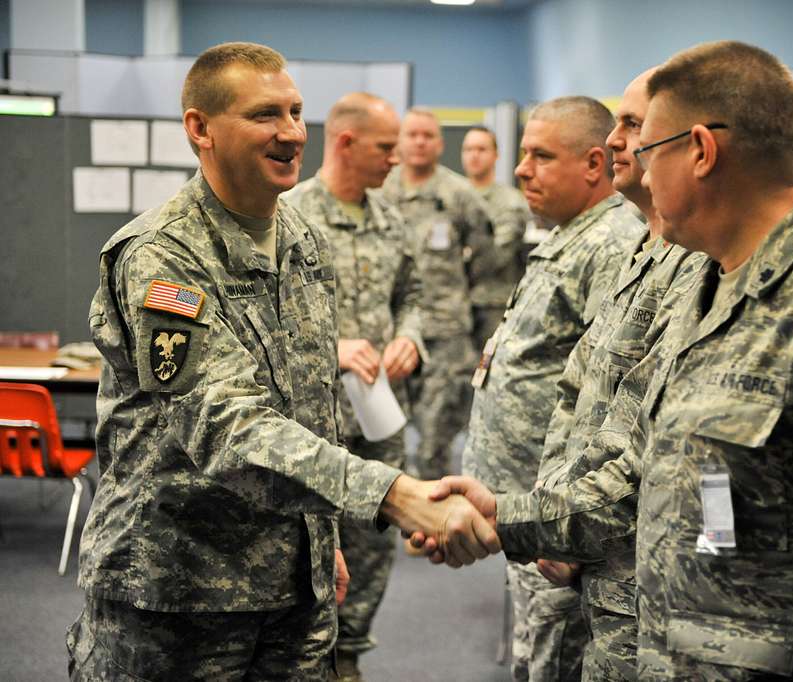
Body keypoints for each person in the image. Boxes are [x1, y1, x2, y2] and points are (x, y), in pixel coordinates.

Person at [428, 41, 793, 680]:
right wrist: (509, 516)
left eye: (646, 147)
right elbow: (635, 475)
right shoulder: (702, 287)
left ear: (699, 151)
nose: (631, 165)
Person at [68, 42, 499, 681]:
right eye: (266, 115)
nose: (292, 133)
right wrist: (393, 495)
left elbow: (309, 403)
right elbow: (222, 423)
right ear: (200, 129)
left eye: (297, 112)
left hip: (294, 586)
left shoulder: (302, 241)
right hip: (180, 594)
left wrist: (319, 541)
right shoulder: (161, 256)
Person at [461, 96, 646, 682]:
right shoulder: (574, 234)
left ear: (595, 165)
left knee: (551, 656)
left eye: (540, 156)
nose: (521, 170)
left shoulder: (612, 243)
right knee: (533, 651)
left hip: (555, 514)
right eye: (522, 155)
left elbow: (607, 400)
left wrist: (558, 517)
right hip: (524, 507)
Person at [531, 69, 698, 682]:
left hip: (638, 579)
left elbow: (646, 447)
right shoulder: (642, 250)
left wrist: (543, 524)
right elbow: (577, 397)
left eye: (634, 125)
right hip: (589, 551)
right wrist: (549, 509)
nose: (618, 141)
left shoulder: (698, 264)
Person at [284, 92, 423, 682]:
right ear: (345, 143)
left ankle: (348, 658)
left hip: (381, 417)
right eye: (386, 147)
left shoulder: (392, 218)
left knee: (372, 546)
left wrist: (410, 338)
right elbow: (264, 321)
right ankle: (304, 659)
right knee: (309, 544)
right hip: (311, 424)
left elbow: (410, 297)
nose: (397, 159)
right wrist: (331, 349)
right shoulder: (289, 215)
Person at [380, 109, 494, 481]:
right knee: (382, 436)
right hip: (390, 333)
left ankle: (428, 527)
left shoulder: (459, 194)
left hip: (445, 333)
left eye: (428, 136)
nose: (419, 142)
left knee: (435, 441)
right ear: (399, 141)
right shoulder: (381, 190)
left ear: (440, 144)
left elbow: (484, 254)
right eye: (411, 134)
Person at [460, 125, 532, 351]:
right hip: (454, 307)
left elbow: (497, 255)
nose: (474, 155)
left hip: (492, 305)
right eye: (468, 149)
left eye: (481, 149)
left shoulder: (510, 202)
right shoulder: (453, 197)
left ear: (495, 155)